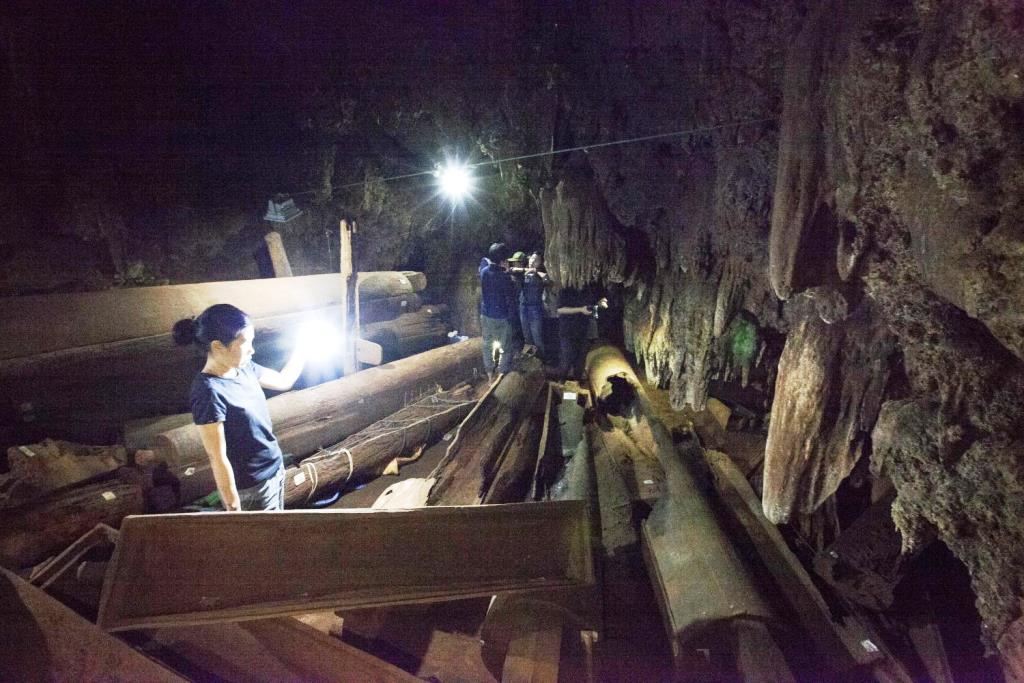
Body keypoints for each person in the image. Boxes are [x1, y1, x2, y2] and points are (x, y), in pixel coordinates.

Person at [172, 304, 307, 511]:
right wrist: (233, 508)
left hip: (275, 469)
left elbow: (284, 380)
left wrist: (305, 347)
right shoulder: (208, 391)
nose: (252, 349)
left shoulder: (245, 368)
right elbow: (217, 457)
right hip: (252, 489)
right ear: (218, 347)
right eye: (245, 343)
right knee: (262, 542)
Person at [479, 242, 517, 378]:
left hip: (486, 314)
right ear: (503, 260)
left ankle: (489, 375)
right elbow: (511, 296)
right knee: (506, 347)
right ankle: (501, 374)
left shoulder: (483, 272)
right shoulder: (505, 276)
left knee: (487, 344)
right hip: (502, 316)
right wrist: (508, 274)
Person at [555, 286, 608, 379]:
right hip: (567, 331)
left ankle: (576, 383)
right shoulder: (566, 289)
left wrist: (600, 303)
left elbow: (594, 304)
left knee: (580, 361)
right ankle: (561, 382)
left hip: (583, 331)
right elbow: (559, 310)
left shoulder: (588, 289)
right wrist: (580, 309)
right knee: (566, 359)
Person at [519, 252, 550, 360]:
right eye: (532, 258)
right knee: (527, 337)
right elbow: (512, 270)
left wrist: (536, 271)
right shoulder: (523, 272)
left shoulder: (539, 275)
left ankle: (542, 361)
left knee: (537, 338)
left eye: (536, 260)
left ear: (540, 263)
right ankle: (531, 362)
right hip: (523, 307)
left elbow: (547, 280)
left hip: (535, 308)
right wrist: (525, 270)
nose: (532, 261)